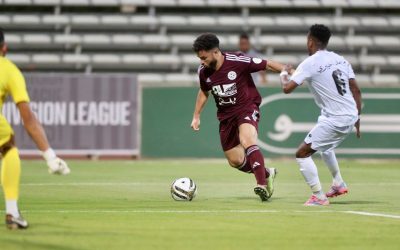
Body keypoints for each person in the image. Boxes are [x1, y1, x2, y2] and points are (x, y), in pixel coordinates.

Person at [191, 33, 287, 201]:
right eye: (199, 58)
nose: (201, 61)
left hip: (246, 107)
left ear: (215, 52)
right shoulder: (203, 72)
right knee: (235, 161)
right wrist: (196, 115)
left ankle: (261, 185)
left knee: (247, 139)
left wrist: (288, 71)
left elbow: (267, 64)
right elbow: (204, 92)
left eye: (204, 57)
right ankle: (266, 173)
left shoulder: (237, 61)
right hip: (225, 117)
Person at [279, 24, 362, 206]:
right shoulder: (340, 60)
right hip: (349, 115)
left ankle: (319, 196)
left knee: (302, 153)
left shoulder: (310, 63)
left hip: (335, 119)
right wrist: (358, 117)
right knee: (325, 147)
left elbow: (287, 88)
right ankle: (338, 183)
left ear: (310, 41)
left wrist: (284, 74)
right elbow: (355, 89)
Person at [0, 28, 71, 229]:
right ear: (4, 48)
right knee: (8, 147)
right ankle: (12, 212)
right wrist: (50, 155)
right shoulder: (8, 69)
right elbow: (28, 119)